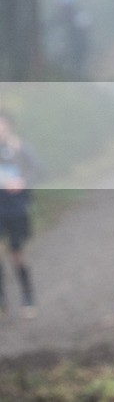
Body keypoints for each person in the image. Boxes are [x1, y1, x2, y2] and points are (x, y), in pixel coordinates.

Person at [0, 111, 42, 320]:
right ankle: (2, 301)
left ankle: (28, 298)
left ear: (9, 126)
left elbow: (38, 170)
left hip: (16, 209)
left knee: (16, 254)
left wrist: (22, 183)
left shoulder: (19, 147)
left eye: (2, 125)